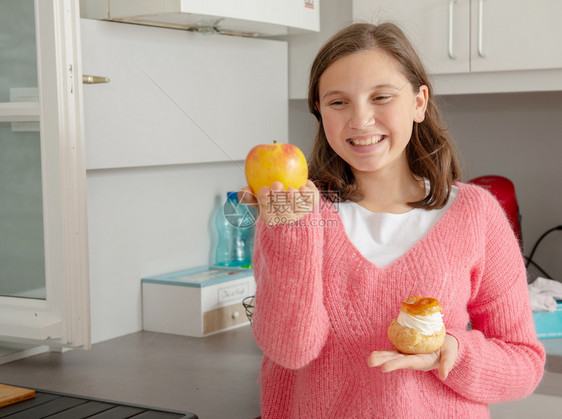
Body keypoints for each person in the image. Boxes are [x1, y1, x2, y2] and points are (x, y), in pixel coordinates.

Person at [239, 22, 545, 418]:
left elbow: (524, 363)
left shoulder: (475, 214)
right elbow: (289, 350)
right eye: (337, 102)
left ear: (419, 102)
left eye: (381, 96)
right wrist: (289, 230)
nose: (360, 120)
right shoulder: (296, 213)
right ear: (320, 112)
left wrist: (452, 353)